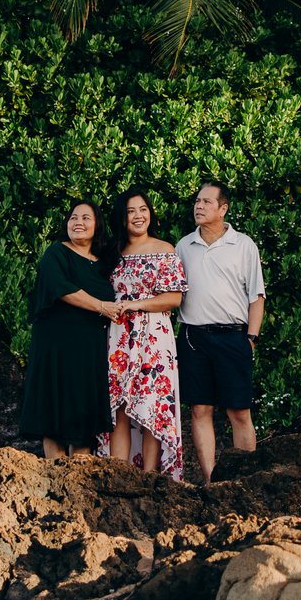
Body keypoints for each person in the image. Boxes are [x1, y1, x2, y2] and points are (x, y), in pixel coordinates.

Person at [174, 178, 265, 482]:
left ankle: (245, 480)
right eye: (197, 201)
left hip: (233, 337)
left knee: (238, 412)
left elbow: (257, 296)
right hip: (193, 339)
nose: (198, 206)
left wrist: (250, 338)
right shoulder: (184, 246)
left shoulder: (243, 245)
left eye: (206, 202)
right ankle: (212, 482)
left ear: (223, 208)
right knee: (200, 410)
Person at [18, 199, 121, 458]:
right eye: (74, 217)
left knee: (83, 419)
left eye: (86, 218)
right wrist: (101, 306)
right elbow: (60, 288)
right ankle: (54, 478)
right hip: (56, 346)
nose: (78, 223)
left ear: (97, 225)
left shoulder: (104, 262)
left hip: (89, 349)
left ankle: (77, 485)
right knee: (52, 417)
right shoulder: (56, 253)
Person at [98, 191, 187, 479]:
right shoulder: (112, 252)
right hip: (119, 337)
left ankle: (150, 477)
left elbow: (173, 298)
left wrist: (135, 304)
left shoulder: (165, 249)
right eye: (130, 211)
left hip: (154, 336)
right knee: (120, 407)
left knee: (151, 404)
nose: (138, 216)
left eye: (143, 209)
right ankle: (119, 474)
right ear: (121, 218)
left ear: (151, 212)